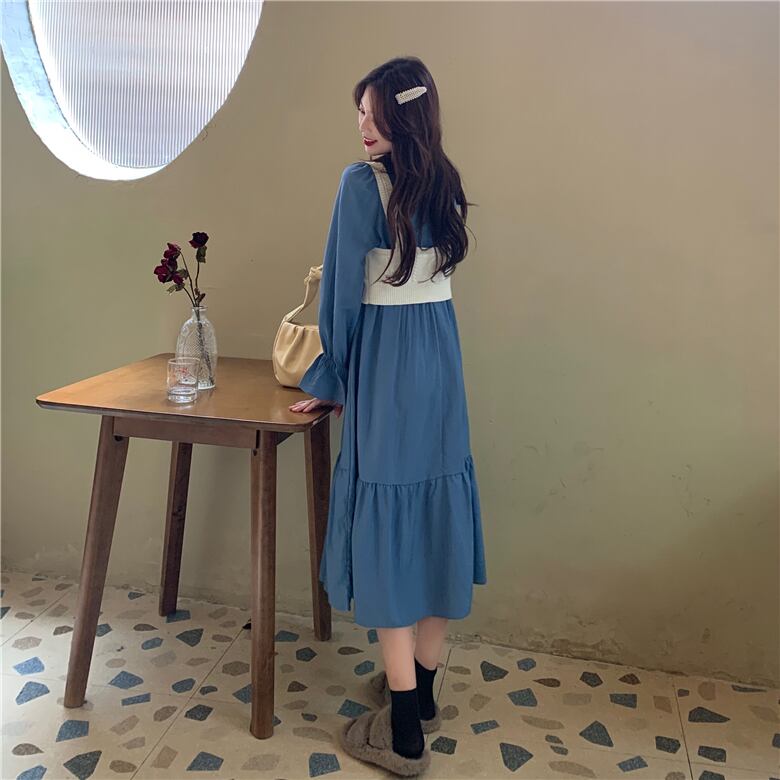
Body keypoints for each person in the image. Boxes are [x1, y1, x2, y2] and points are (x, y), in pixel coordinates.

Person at [289, 56, 487, 776]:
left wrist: (332, 377)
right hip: (440, 364)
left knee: (388, 529)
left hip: (386, 368)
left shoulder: (358, 184)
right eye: (360, 115)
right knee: (434, 520)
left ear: (403, 117)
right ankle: (423, 693)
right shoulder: (444, 182)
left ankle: (403, 733)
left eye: (374, 115)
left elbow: (341, 297)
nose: (363, 127)